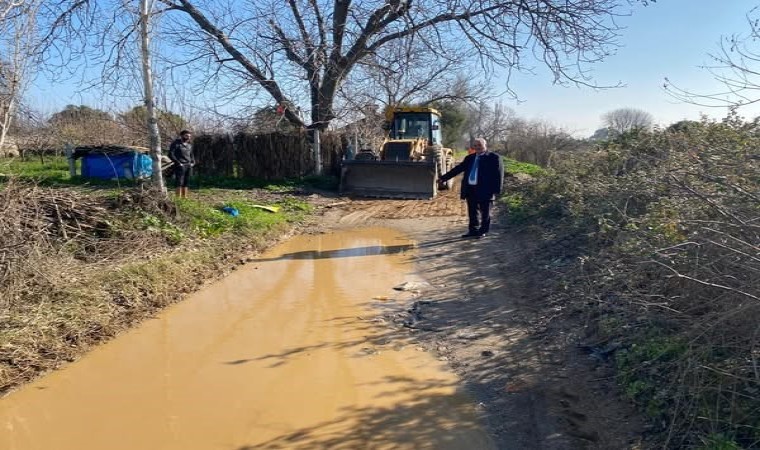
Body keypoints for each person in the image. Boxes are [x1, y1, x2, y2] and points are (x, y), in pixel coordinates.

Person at [439, 138, 504, 238]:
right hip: (470, 188)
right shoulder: (470, 158)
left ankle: (483, 231)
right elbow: (458, 169)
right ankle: (473, 230)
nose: (477, 147)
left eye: (480, 145)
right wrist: (444, 178)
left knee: (485, 212)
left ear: (485, 145)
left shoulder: (494, 157)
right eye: (475, 145)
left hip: (485, 189)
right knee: (472, 211)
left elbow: (499, 174)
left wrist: (496, 190)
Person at [169, 130, 195, 198]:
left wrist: (193, 162)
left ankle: (184, 197)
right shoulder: (176, 144)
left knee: (186, 181)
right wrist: (178, 163)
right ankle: (178, 198)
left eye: (189, 136)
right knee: (179, 181)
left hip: (188, 165)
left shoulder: (189, 145)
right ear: (182, 135)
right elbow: (171, 154)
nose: (188, 137)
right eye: (186, 136)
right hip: (180, 165)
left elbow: (191, 155)